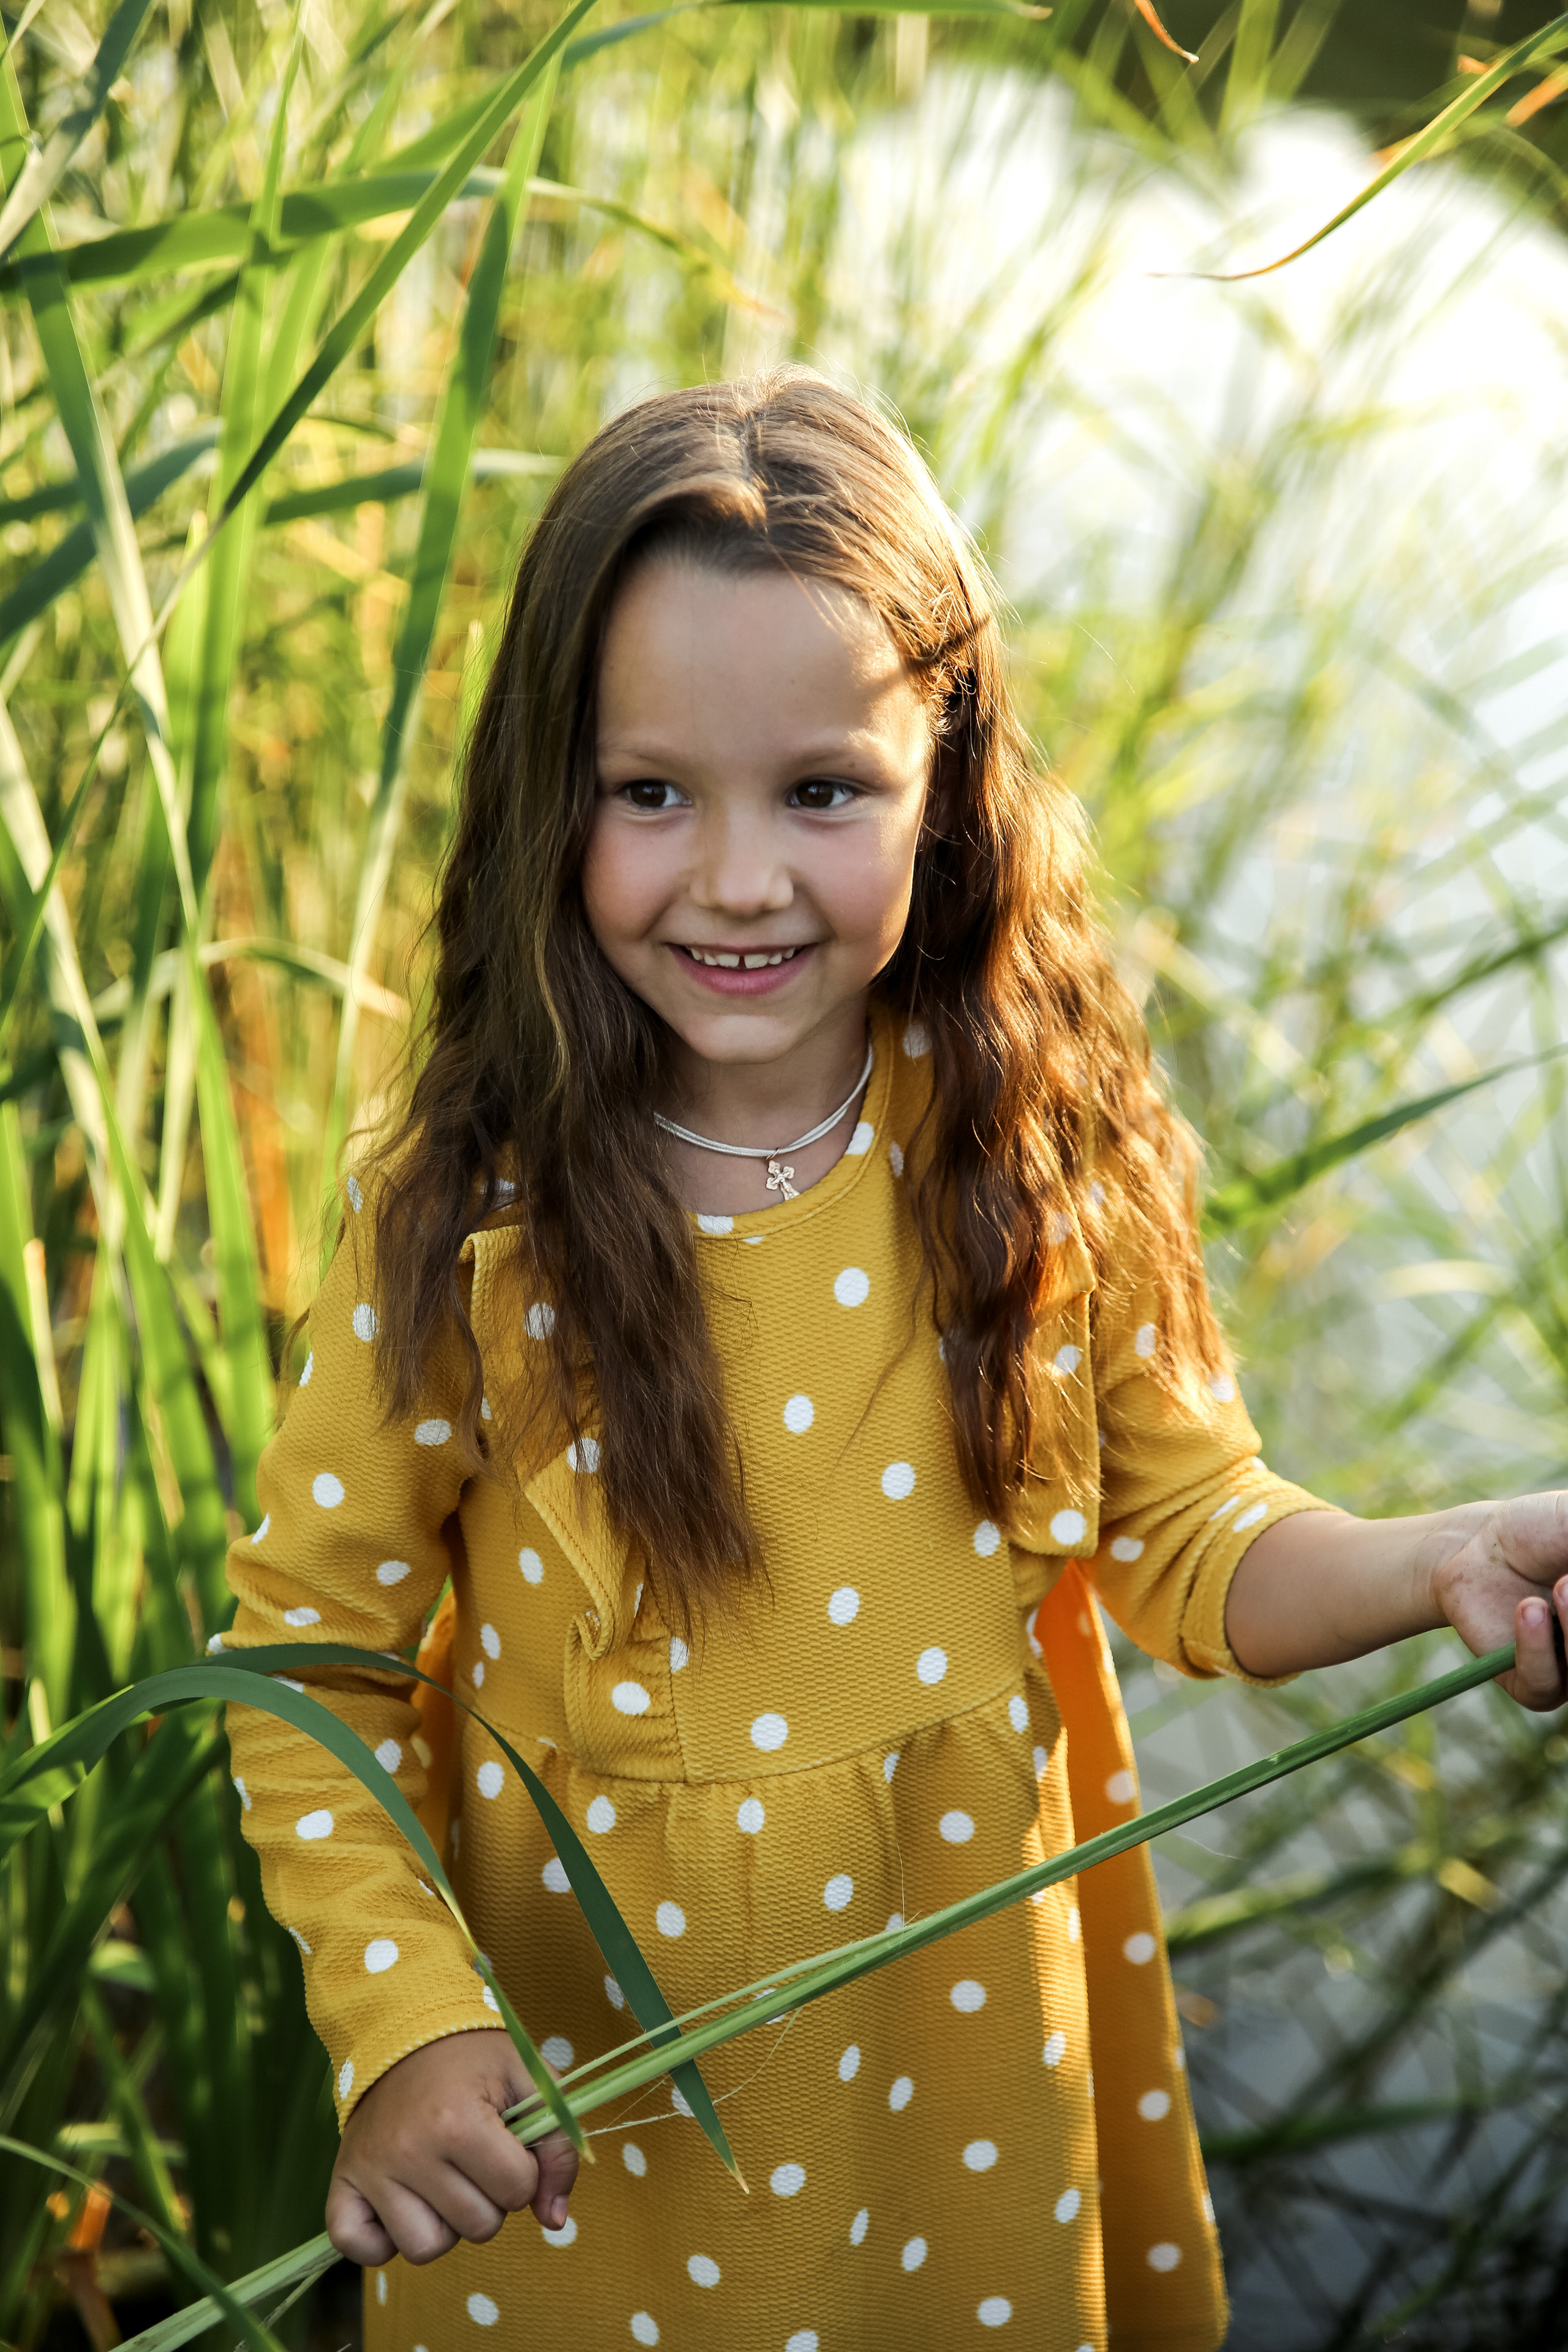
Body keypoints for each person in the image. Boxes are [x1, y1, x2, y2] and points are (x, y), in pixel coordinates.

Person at [222, 369, 1568, 2352]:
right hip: (592, 2156)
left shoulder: (1028, 1139)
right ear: (549, 793)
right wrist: (408, 2032)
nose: (742, 878)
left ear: (946, 784)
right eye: (651, 790)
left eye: (824, 791)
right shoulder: (467, 1224)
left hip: (963, 2116)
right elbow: (306, 1682)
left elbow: (1194, 1544)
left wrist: (1439, 1557)